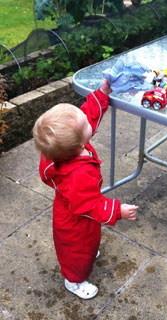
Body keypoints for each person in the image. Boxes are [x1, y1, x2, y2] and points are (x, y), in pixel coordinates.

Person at [32, 78, 138, 300]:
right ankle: (74, 279)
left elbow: (86, 116)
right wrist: (118, 210)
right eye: (87, 127)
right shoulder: (77, 175)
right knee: (76, 250)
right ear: (80, 144)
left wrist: (101, 94)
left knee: (89, 243)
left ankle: (86, 257)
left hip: (76, 209)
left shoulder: (65, 147)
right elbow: (91, 205)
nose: (90, 123)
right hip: (75, 221)